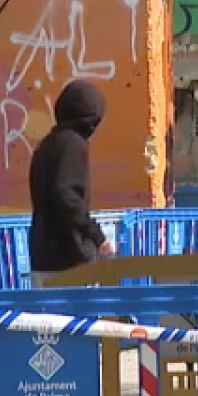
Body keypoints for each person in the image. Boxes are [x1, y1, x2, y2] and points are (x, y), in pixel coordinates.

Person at [29, 79, 114, 276]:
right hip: (70, 257)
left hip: (43, 255)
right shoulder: (73, 146)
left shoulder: (47, 144)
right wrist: (97, 236)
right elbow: (67, 196)